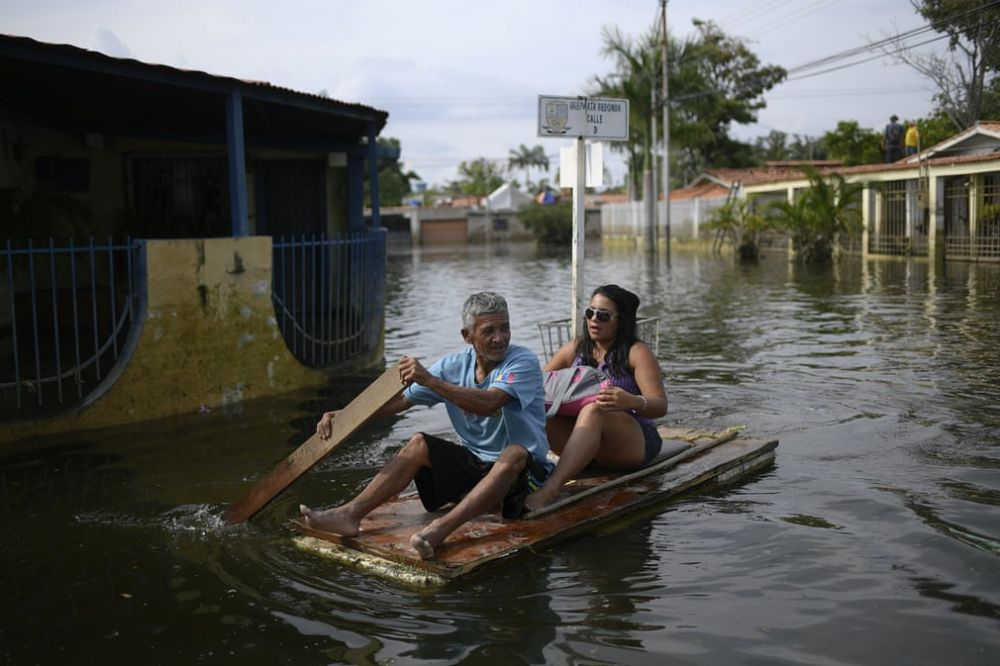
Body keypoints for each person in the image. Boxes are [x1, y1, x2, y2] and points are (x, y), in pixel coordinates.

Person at [299, 292, 552, 559]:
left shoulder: (522, 362)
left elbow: (490, 403)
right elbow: (400, 402)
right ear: (467, 336)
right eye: (489, 331)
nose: (499, 338)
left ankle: (439, 530)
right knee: (419, 443)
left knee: (515, 452)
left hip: (527, 475)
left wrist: (431, 381)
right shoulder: (452, 366)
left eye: (504, 328)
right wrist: (345, 415)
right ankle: (350, 514)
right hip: (478, 465)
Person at [525, 284, 667, 511]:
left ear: (621, 321)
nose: (593, 320)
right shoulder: (575, 349)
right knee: (536, 409)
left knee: (594, 408)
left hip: (633, 442)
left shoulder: (637, 352)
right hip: (586, 443)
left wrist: (631, 401)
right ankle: (519, 473)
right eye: (590, 312)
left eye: (603, 315)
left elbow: (660, 406)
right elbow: (536, 386)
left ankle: (551, 488)